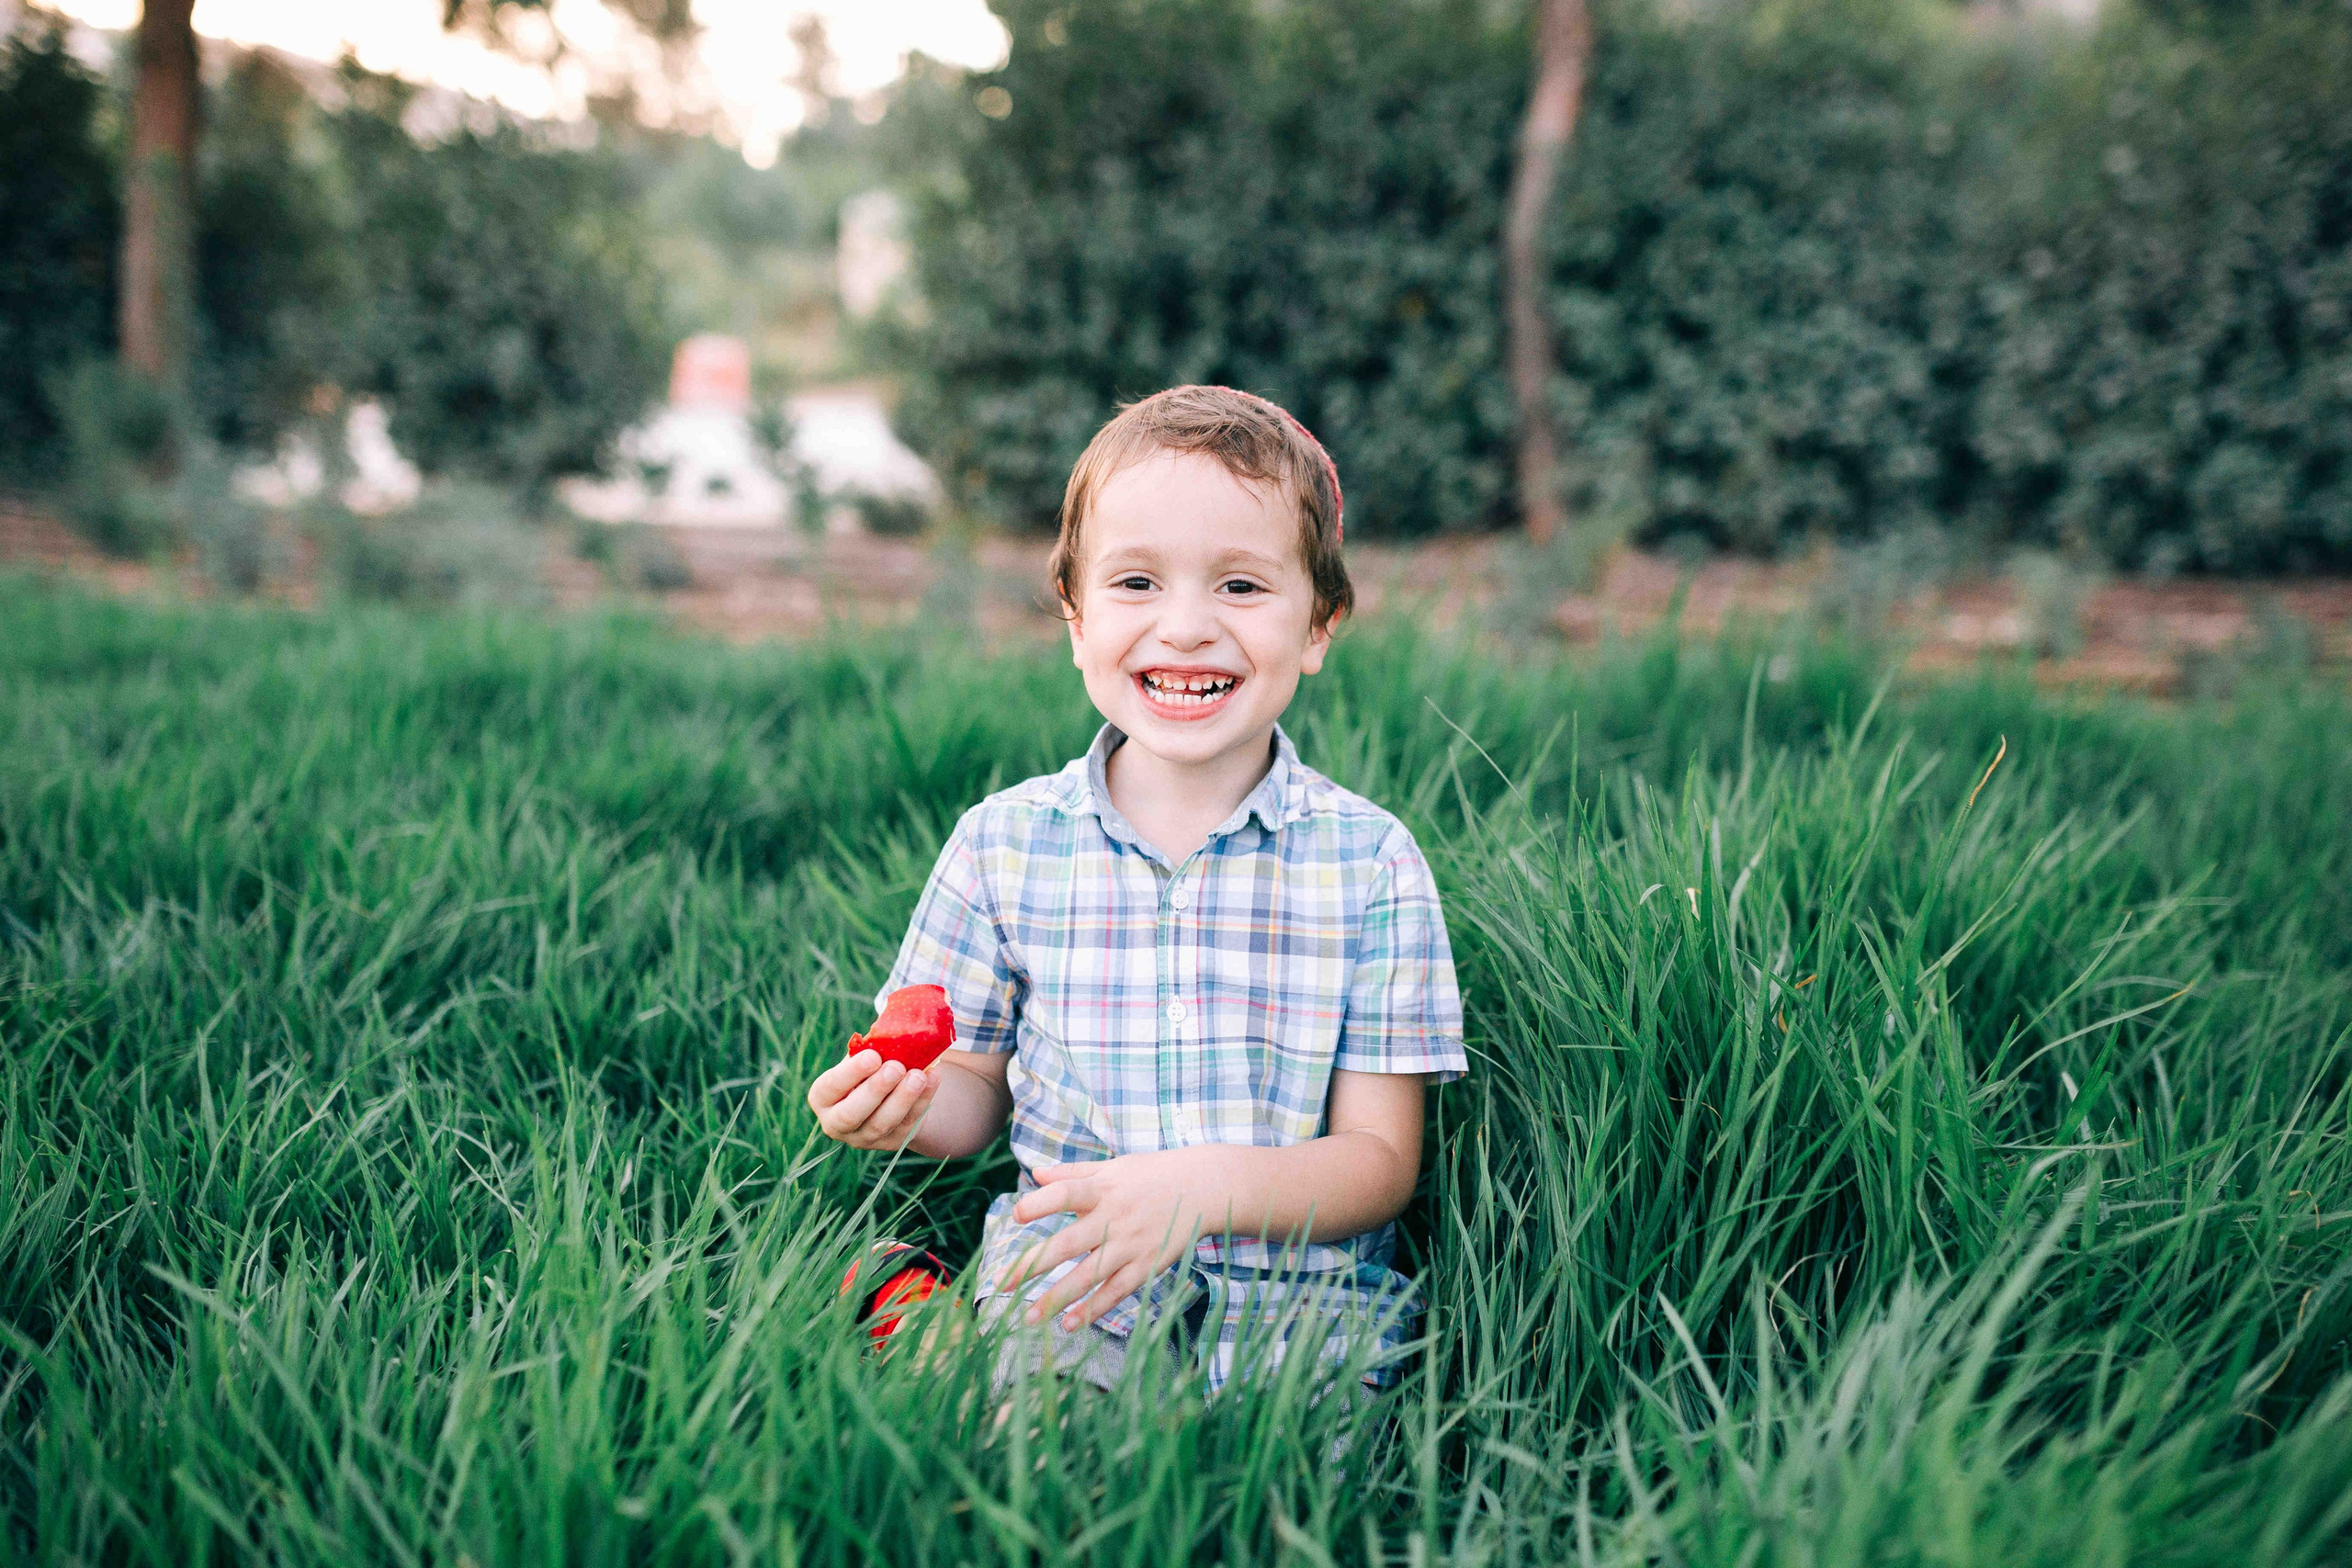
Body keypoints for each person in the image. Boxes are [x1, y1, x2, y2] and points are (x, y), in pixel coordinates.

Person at [806, 385, 1466, 1400]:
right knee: (1048, 1482)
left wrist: (1205, 1190)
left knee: (1300, 1502)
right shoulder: (1003, 845)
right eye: (1136, 583)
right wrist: (906, 1106)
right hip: (1075, 1270)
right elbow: (974, 1092)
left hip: (1307, 1291)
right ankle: (940, 1329)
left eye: (1242, 587)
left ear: (1319, 625)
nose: (1188, 627)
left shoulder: (1370, 863)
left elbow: (1379, 1158)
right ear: (1075, 617)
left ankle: (934, 1331)